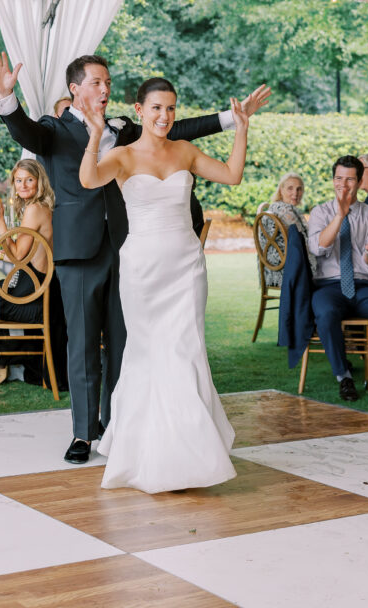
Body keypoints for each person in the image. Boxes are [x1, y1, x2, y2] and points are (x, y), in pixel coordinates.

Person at [0, 50, 270, 464]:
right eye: (97, 83)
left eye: (108, 83)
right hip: (79, 252)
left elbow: (176, 130)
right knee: (82, 344)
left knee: (125, 342)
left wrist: (231, 119)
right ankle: (83, 434)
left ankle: (120, 425)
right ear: (75, 88)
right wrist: (7, 101)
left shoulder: (125, 127)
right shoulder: (52, 130)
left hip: (132, 248)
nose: (105, 89)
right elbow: (25, 134)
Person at [79, 76, 249, 493]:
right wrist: (95, 136)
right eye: (156, 107)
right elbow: (87, 180)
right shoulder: (121, 156)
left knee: (185, 350)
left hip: (185, 266)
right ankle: (145, 453)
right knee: (148, 352)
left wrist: (241, 130)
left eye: (171, 108)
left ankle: (190, 454)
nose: (165, 116)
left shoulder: (185, 151)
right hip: (142, 269)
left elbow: (231, 175)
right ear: (139, 110)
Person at [0, 159, 67, 389]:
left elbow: (19, 257)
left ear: (39, 182)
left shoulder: (34, 209)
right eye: (19, 180)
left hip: (33, 299)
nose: (23, 185)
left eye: (29, 180)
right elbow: (22, 257)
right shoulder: (40, 207)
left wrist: (0, 222)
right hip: (38, 290)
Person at [307, 155, 368, 401]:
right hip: (329, 285)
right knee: (325, 314)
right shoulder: (320, 212)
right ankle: (343, 376)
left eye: (349, 180)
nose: (343, 185)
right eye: (338, 178)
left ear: (358, 182)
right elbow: (318, 248)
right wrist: (339, 215)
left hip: (364, 284)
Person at [258, 172, 315, 286]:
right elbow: (305, 240)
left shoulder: (274, 207)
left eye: (299, 189)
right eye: (290, 188)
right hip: (287, 271)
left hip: (269, 272)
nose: (295, 193)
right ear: (281, 190)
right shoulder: (285, 210)